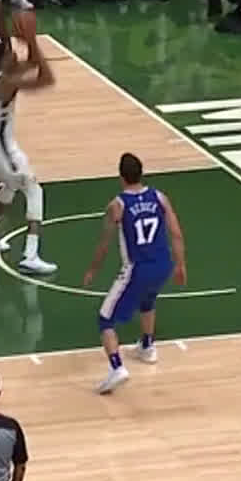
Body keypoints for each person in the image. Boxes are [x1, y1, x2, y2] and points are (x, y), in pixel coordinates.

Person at [81, 153, 187, 394]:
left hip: (137, 269)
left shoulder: (117, 205)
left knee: (105, 319)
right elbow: (176, 233)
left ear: (121, 177)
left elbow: (104, 244)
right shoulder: (160, 197)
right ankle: (147, 347)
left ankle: (117, 367)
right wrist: (180, 265)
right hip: (163, 265)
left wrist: (93, 269)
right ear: (142, 174)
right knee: (148, 299)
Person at [0, 25, 57, 274]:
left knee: (11, 184)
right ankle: (31, 255)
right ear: (3, 60)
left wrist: (30, 42)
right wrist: (32, 40)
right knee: (33, 189)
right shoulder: (6, 82)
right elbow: (46, 79)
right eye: (10, 53)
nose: (14, 54)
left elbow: (32, 63)